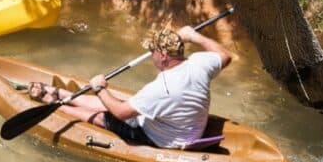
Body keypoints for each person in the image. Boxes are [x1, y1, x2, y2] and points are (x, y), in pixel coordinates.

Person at [29, 24, 232, 148]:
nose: (151, 56)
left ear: (162, 56)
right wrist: (195, 36)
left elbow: (120, 112)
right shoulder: (199, 63)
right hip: (182, 127)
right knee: (113, 103)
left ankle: (57, 104)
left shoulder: (161, 88)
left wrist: (100, 89)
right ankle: (63, 93)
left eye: (152, 52)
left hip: (161, 138)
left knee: (104, 116)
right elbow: (225, 56)